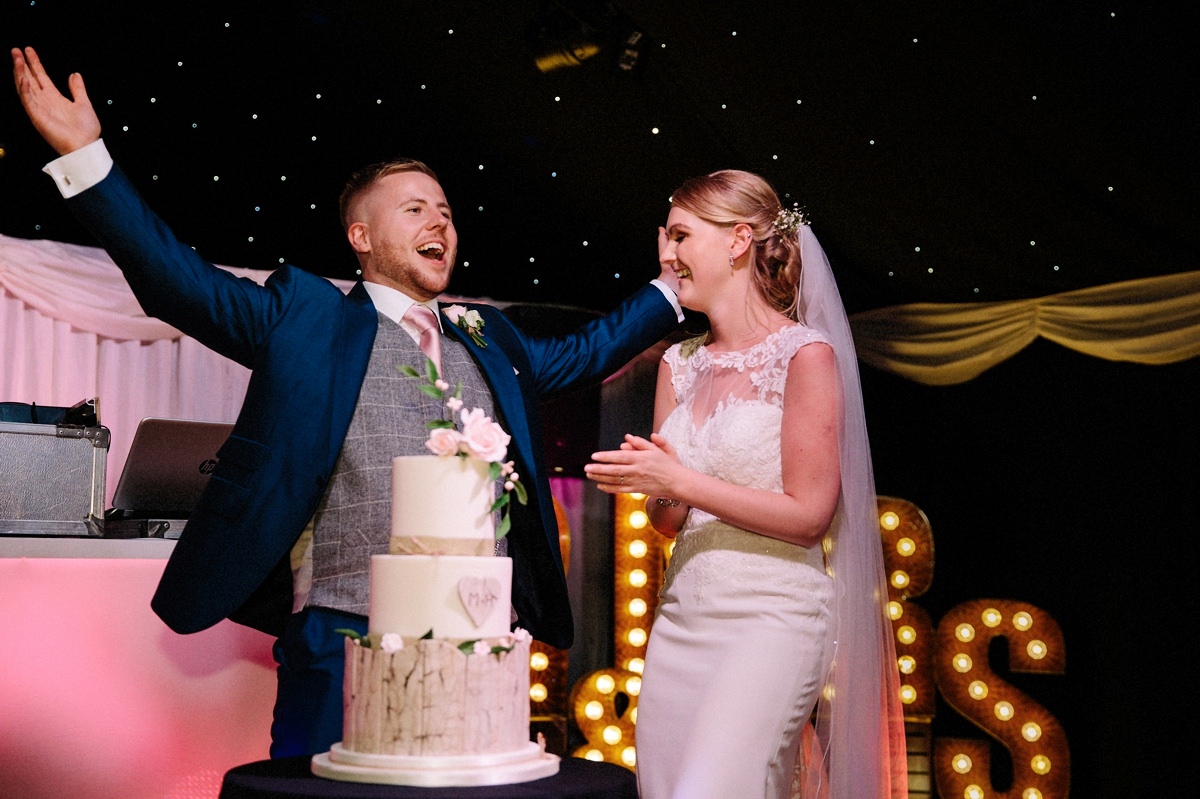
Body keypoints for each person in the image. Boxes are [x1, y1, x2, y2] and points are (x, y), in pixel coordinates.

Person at [12, 46, 682, 758]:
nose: (440, 224)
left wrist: (671, 287)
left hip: (477, 636)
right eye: (416, 208)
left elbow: (584, 353)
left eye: (447, 212)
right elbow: (179, 281)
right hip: (339, 627)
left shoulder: (493, 340)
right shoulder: (308, 318)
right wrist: (88, 161)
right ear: (360, 237)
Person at [585, 170, 906, 798]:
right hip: (682, 619)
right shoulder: (678, 363)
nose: (666, 256)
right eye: (663, 239)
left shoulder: (804, 356)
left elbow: (810, 514)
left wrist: (679, 478)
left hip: (771, 619)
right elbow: (668, 519)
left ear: (737, 241)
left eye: (680, 236)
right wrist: (656, 483)